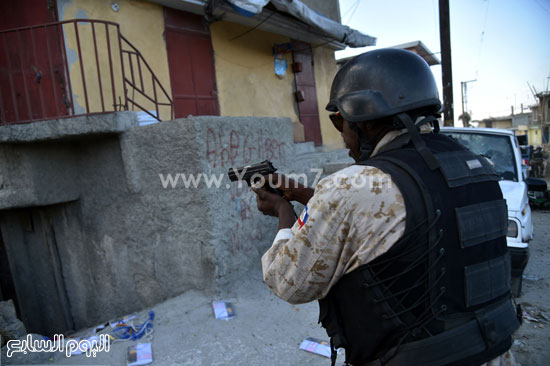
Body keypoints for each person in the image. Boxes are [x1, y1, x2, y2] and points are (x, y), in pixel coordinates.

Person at [251, 49, 520, 366]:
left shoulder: (352, 187)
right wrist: (307, 195)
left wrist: (283, 212)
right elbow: (416, 213)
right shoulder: (478, 168)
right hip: (494, 350)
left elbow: (288, 281)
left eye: (340, 122)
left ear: (364, 121)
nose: (343, 138)